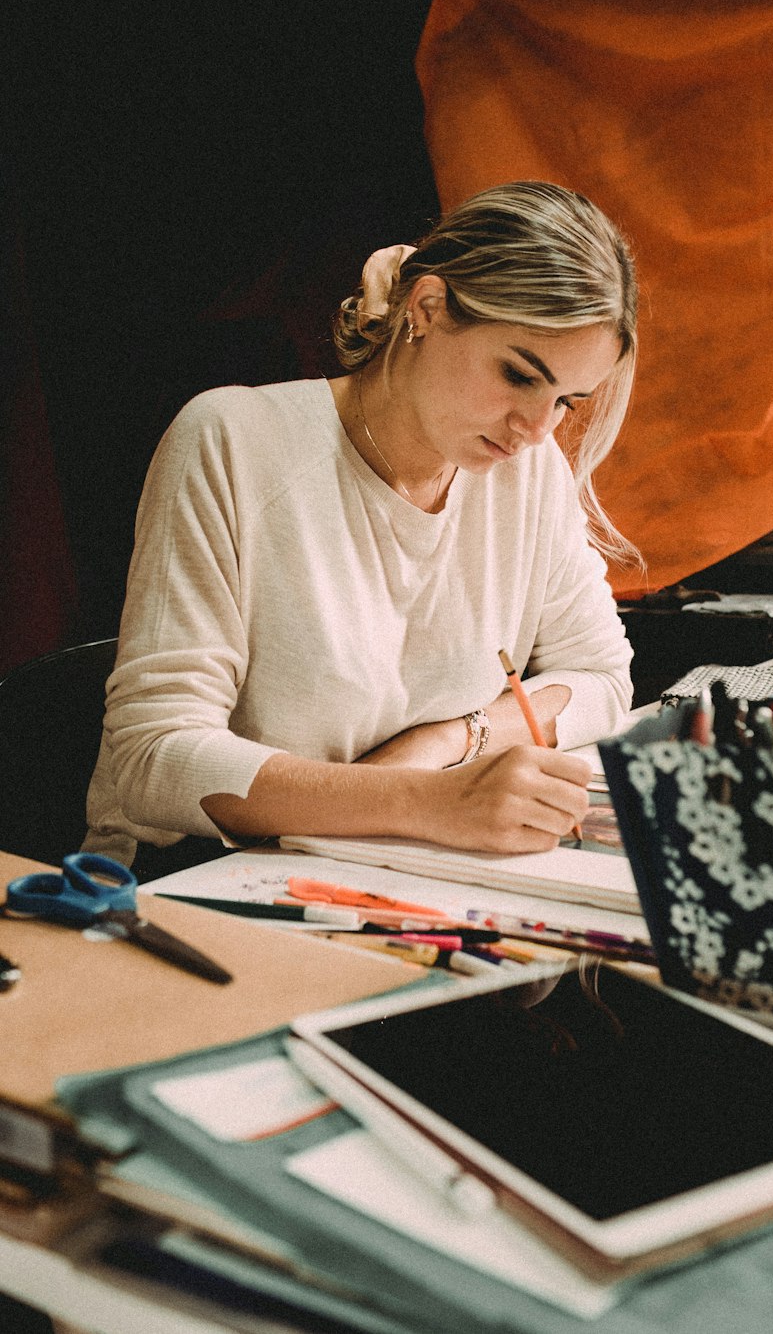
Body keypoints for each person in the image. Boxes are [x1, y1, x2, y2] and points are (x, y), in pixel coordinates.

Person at [83, 181, 640, 878]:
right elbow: (152, 760)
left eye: (565, 401)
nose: (535, 429)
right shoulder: (232, 442)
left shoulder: (527, 477)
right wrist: (424, 801)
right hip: (190, 884)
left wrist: (446, 743)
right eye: (518, 374)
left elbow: (601, 678)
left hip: (378, 870)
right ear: (428, 308)